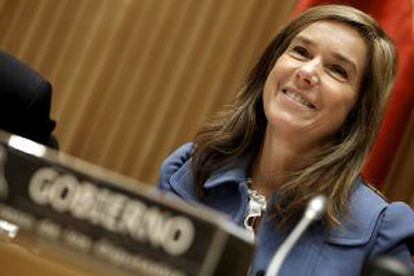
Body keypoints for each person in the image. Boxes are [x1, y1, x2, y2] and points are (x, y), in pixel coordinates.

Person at [158, 4, 414, 275]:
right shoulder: (192, 167)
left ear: (357, 111)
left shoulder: (380, 232)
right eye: (300, 51)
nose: (307, 72)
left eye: (338, 70)